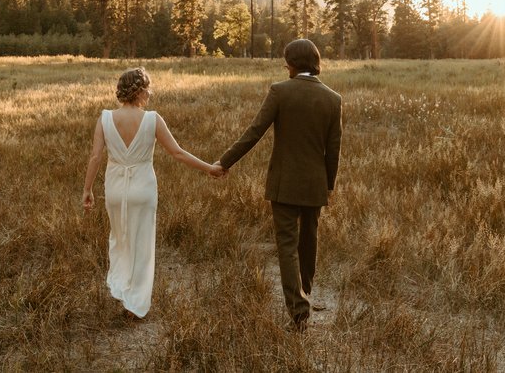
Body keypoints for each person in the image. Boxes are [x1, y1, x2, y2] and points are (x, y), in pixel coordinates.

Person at [214, 39, 342, 331]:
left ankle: (298, 312)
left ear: (294, 63)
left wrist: (225, 162)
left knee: (287, 246)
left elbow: (254, 131)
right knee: (309, 242)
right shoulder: (333, 99)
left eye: (286, 60)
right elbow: (333, 150)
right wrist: (329, 186)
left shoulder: (280, 92)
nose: (285, 65)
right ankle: (305, 293)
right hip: (315, 185)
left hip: (284, 184)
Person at [82, 67, 224, 318]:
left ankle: (122, 287)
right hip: (143, 189)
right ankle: (134, 303)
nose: (150, 94)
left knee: (120, 239)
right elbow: (178, 153)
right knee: (142, 245)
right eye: (148, 89)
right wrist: (209, 168)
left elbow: (95, 157)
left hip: (115, 189)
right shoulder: (152, 119)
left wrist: (87, 189)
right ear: (139, 90)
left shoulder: (104, 118)